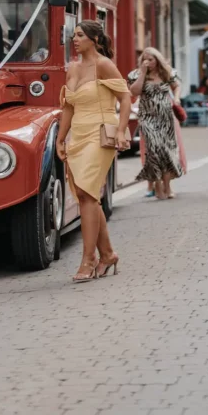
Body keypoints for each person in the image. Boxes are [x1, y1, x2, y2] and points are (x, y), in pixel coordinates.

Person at [56, 21, 130, 283]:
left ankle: (88, 260)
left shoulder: (103, 64)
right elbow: (68, 107)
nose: (74, 39)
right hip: (78, 135)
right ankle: (108, 254)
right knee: (86, 196)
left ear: (95, 39)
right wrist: (61, 139)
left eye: (80, 35)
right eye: (73, 35)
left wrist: (121, 131)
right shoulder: (73, 68)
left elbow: (125, 98)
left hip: (100, 133)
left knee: (87, 194)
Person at [128, 48, 184, 201]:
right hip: (147, 117)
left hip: (165, 116)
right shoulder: (136, 74)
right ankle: (157, 185)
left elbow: (176, 86)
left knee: (167, 151)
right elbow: (134, 92)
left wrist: (177, 99)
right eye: (145, 60)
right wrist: (143, 72)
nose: (148, 62)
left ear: (157, 60)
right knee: (154, 150)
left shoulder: (166, 72)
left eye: (151, 59)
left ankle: (168, 187)